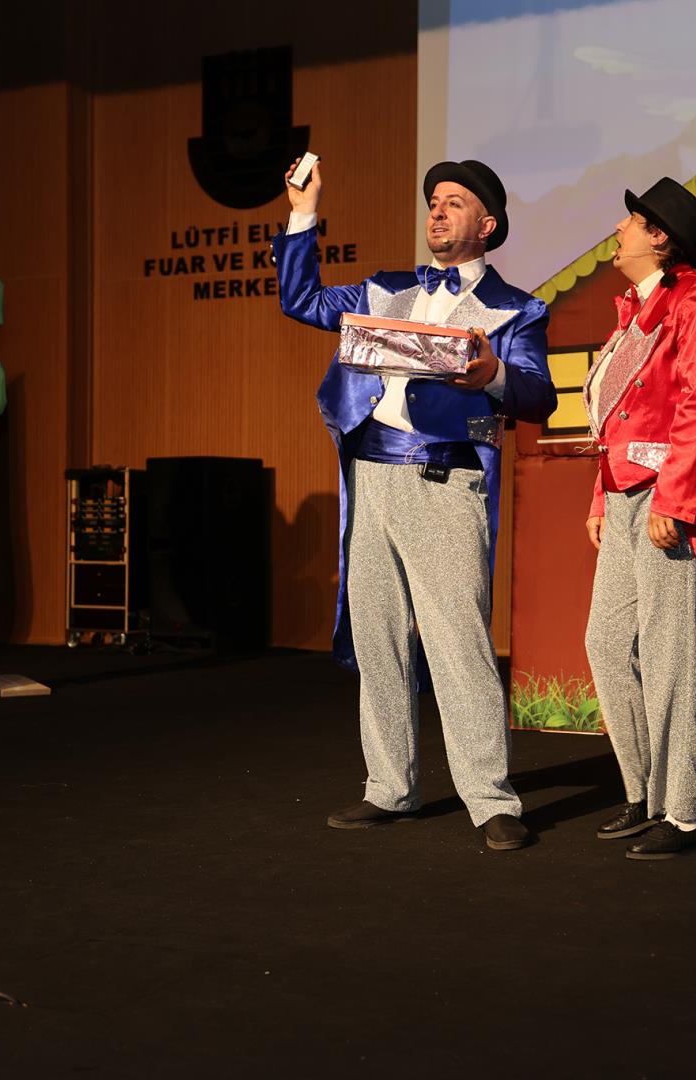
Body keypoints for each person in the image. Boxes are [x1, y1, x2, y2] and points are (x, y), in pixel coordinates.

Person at [272, 156, 555, 851]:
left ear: (487, 225)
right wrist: (303, 212)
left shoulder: (518, 308)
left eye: (455, 201)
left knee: (458, 643)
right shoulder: (384, 288)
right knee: (379, 639)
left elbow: (539, 396)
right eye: (434, 199)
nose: (437, 209)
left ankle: (490, 798)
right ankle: (389, 787)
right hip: (371, 475)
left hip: (445, 479)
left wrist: (493, 375)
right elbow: (301, 300)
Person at [582, 177, 696, 860]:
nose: (618, 229)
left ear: (658, 236)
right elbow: (618, 419)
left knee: (670, 656)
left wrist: (675, 500)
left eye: (630, 221)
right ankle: (642, 793)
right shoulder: (632, 309)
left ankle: (681, 812)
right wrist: (602, 497)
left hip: (672, 499)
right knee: (606, 644)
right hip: (625, 494)